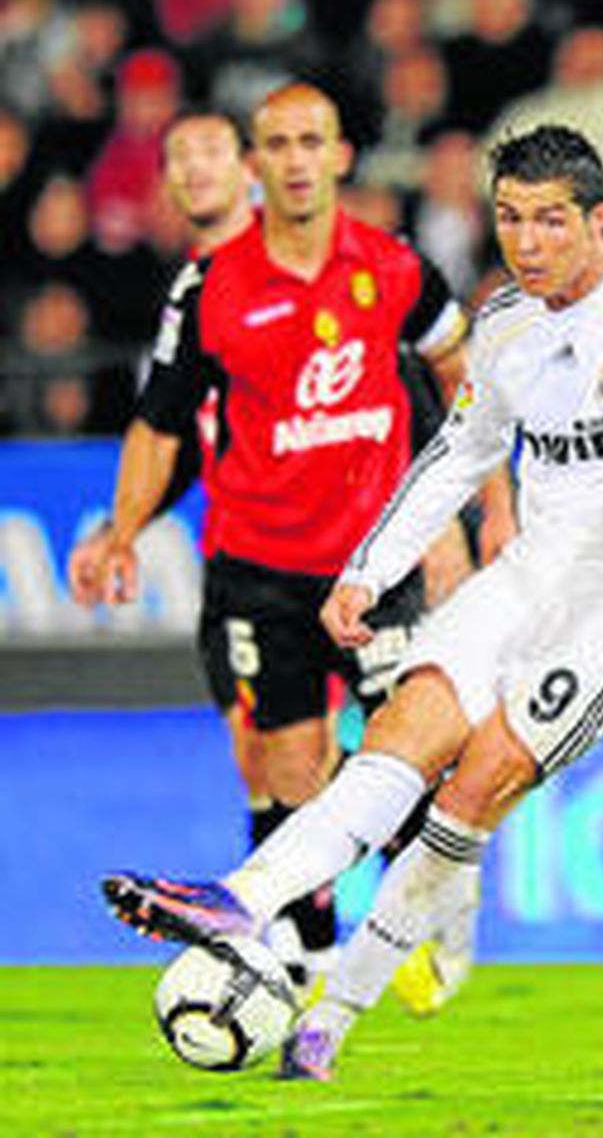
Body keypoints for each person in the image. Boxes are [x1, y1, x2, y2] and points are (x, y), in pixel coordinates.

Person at [101, 122, 603, 1082]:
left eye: (551, 222)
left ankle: (333, 1015)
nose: (527, 243)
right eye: (511, 220)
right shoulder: (507, 321)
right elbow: (458, 454)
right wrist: (371, 565)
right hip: (535, 570)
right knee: (401, 733)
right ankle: (240, 900)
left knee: (475, 782)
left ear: (599, 220)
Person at [80, 84, 473, 988]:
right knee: (282, 764)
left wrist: (468, 510)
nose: (295, 161)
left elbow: (453, 376)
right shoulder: (210, 289)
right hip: (259, 564)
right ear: (262, 165)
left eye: (312, 142)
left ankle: (421, 920)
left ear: (339, 155)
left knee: (414, 750)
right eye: (278, 145)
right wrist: (123, 530)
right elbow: (162, 423)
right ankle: (308, 958)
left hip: (377, 561)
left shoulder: (391, 267)